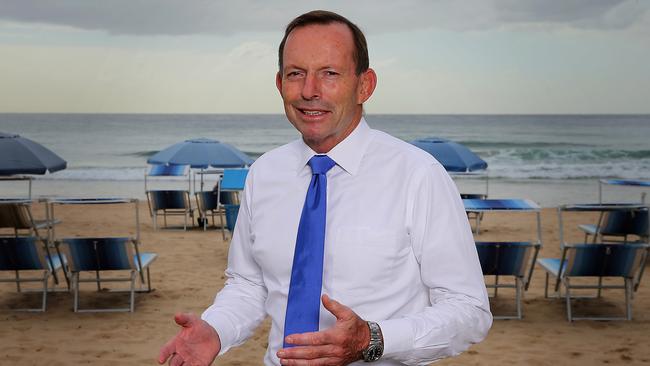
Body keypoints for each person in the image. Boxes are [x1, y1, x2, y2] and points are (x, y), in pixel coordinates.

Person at [159, 10, 491, 366]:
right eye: (295, 74)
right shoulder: (264, 173)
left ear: (365, 85)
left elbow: (469, 311)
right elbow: (249, 284)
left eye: (329, 74)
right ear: (279, 83)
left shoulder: (419, 175)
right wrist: (217, 330)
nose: (309, 91)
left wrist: (372, 339)